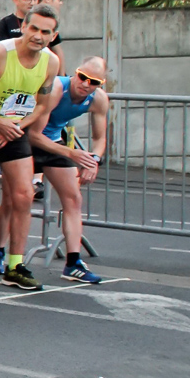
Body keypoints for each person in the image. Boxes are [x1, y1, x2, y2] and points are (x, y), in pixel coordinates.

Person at [0, 4, 66, 290]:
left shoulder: (51, 62)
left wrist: (15, 128)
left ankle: (15, 264)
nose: (37, 36)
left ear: (53, 36)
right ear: (23, 27)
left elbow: (43, 105)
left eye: (45, 32)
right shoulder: (1, 52)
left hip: (15, 127)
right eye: (33, 28)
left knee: (23, 195)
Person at [28, 57, 110, 283]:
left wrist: (93, 159)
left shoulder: (99, 100)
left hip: (54, 144)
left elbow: (100, 138)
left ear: (100, 85)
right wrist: (72, 154)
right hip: (28, 140)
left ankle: (73, 263)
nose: (85, 84)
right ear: (75, 73)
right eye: (82, 77)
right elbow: (35, 134)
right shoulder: (56, 88)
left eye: (93, 82)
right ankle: (1, 256)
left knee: (73, 198)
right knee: (18, 198)